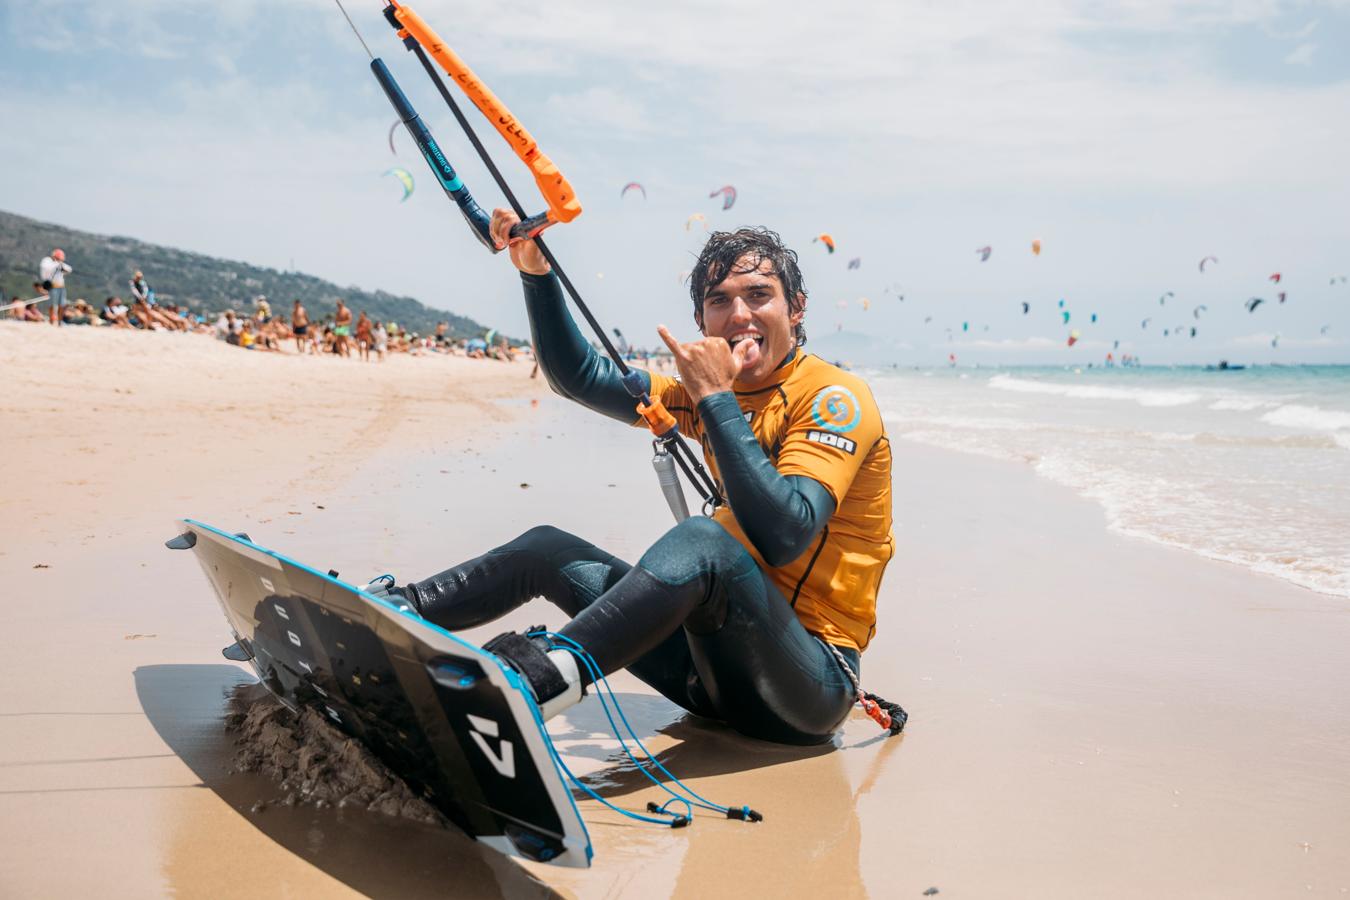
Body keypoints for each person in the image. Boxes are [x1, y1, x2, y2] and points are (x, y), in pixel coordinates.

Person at [374, 214, 894, 746]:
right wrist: (536, 271)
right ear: (702, 320)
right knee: (547, 550)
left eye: (759, 295)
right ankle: (387, 615)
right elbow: (579, 376)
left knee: (704, 540)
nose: (739, 314)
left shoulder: (834, 398)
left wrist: (714, 399)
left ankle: (535, 686)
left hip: (805, 690)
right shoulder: (710, 392)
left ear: (796, 307)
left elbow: (785, 535)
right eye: (719, 301)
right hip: (710, 673)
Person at [39, 249, 72, 326]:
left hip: (61, 287)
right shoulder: (48, 262)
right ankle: (51, 320)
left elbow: (69, 269)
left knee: (62, 305)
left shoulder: (61, 265)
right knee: (52, 304)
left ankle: (60, 322)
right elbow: (46, 270)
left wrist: (60, 264)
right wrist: (56, 264)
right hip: (52, 287)